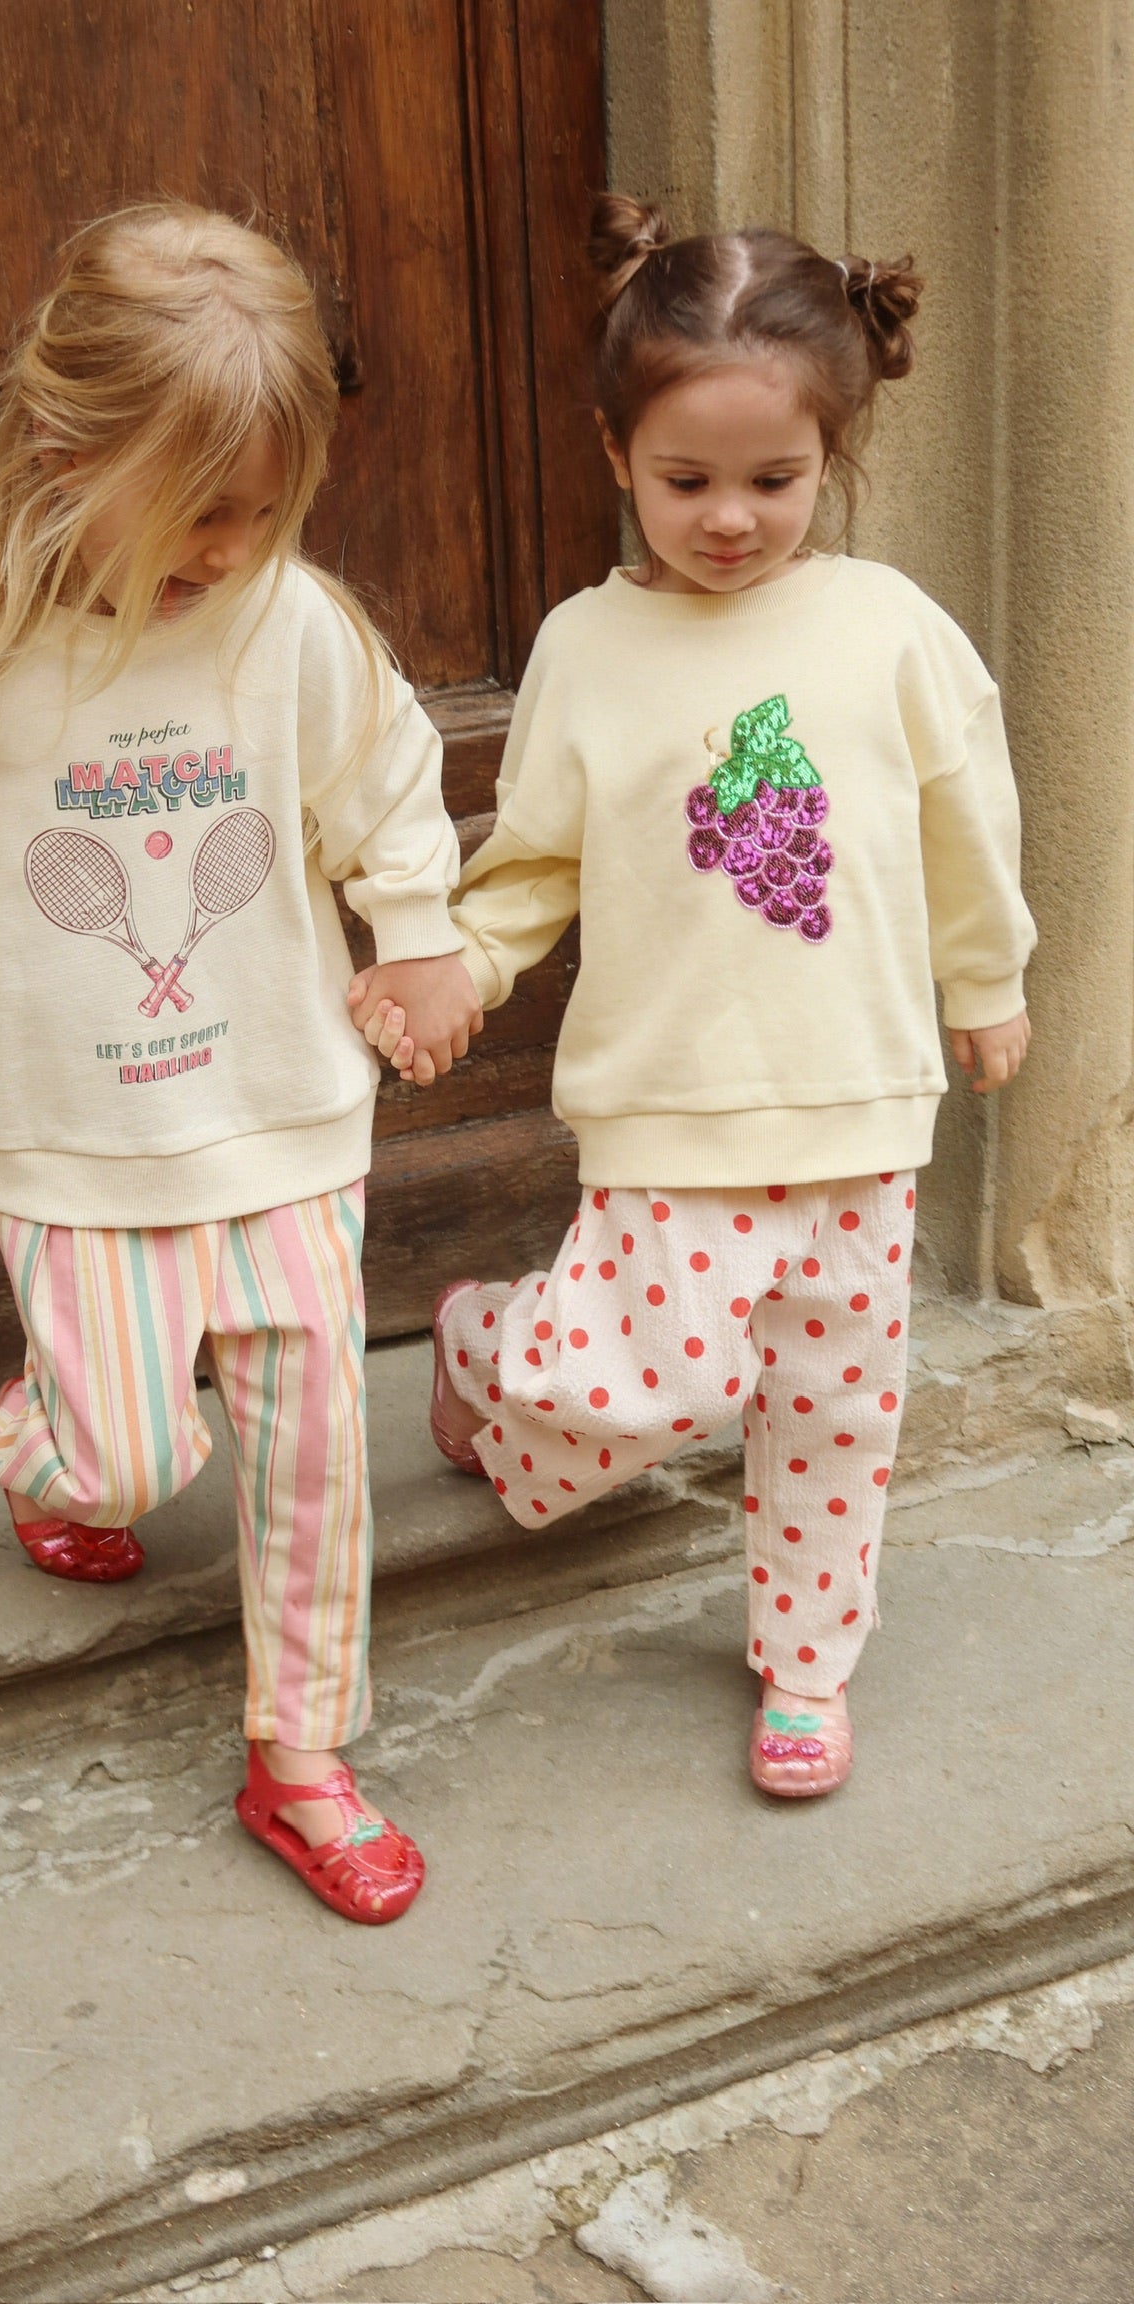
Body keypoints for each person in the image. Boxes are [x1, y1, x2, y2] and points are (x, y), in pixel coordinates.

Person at [0, 202, 483, 1920]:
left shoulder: (288, 623)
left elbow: (384, 780)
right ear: (65, 452)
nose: (227, 550)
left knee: (312, 1445)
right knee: (126, 1465)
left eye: (260, 512)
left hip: (282, 1107)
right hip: (72, 1128)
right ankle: (40, 1449)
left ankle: (302, 1755)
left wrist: (416, 932)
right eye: (197, 510)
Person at [352, 195, 1035, 1799]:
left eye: (773, 481)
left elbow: (966, 821)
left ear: (830, 457)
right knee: (643, 1382)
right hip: (669, 1103)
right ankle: (487, 1348)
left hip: (861, 1099)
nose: (730, 519)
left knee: (833, 1409)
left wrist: (988, 976)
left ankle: (807, 1661)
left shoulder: (889, 630)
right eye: (688, 482)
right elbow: (535, 860)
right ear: (617, 456)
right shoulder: (588, 647)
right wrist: (465, 960)